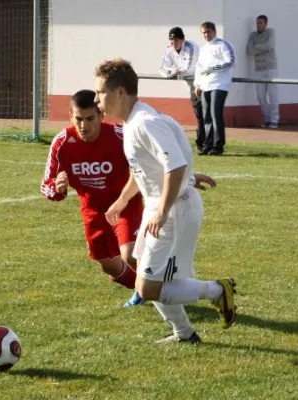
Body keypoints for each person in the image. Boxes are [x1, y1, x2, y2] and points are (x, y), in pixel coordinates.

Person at [95, 58, 236, 344]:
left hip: (173, 211)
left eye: (100, 92)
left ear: (120, 92)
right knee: (139, 264)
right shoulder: (135, 121)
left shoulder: (145, 123)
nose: (97, 99)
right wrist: (122, 202)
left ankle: (218, 291)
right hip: (161, 207)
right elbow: (148, 167)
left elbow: (175, 165)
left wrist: (163, 209)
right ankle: (184, 333)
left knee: (148, 287)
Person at [40, 90, 217, 308]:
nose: (84, 125)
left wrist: (188, 179)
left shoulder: (120, 135)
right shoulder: (62, 143)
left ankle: (167, 292)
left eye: (89, 119)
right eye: (78, 119)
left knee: (131, 254)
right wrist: (57, 189)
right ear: (70, 116)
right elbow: (46, 184)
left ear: (100, 115)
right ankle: (148, 290)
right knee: (109, 266)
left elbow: (159, 161)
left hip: (126, 204)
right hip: (93, 211)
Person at [159, 27, 205, 152]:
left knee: (203, 112)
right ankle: (203, 143)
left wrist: (176, 71)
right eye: (172, 40)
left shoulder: (190, 47)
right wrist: (172, 72)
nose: (173, 42)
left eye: (176, 39)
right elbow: (163, 69)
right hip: (192, 83)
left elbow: (189, 68)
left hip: (202, 81)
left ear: (182, 39)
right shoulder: (169, 49)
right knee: (199, 112)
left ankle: (206, 143)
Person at [194, 21, 236, 156]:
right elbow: (199, 68)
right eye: (204, 33)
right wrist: (197, 84)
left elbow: (230, 61)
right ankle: (207, 145)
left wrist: (213, 68)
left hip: (220, 84)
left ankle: (218, 146)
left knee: (215, 114)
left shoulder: (223, 44)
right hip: (206, 85)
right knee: (206, 116)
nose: (206, 35)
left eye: (208, 32)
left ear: (214, 32)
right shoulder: (203, 49)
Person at [246, 15, 280, 129]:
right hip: (259, 69)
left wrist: (257, 47)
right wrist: (263, 47)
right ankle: (267, 119)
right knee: (260, 96)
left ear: (266, 23)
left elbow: (270, 45)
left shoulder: (271, 32)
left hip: (271, 68)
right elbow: (249, 50)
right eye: (257, 23)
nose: (258, 25)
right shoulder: (253, 35)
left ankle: (274, 120)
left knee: (273, 95)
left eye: (260, 23)